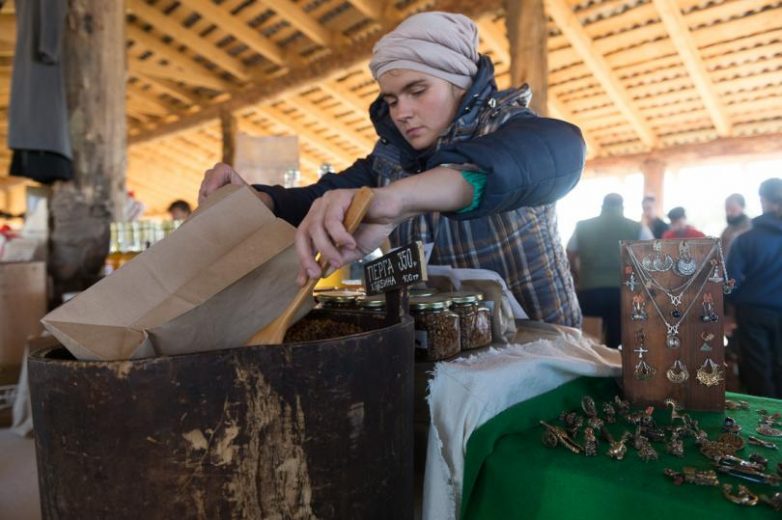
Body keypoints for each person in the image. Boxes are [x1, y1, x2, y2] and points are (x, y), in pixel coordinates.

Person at [199, 12, 586, 327]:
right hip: (447, 359)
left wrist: (396, 200)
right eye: (392, 99)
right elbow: (318, 197)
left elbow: (555, 154)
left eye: (417, 92)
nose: (402, 112)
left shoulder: (509, 130)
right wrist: (257, 198)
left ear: (461, 83)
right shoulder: (389, 160)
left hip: (542, 349)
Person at [566, 194, 653, 348]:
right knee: (616, 345)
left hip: (589, 290)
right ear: (622, 207)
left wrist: (578, 276)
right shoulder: (637, 227)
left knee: (588, 342)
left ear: (602, 206)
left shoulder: (583, 226)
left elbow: (569, 253)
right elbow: (651, 255)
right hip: (623, 292)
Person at [726, 178, 782, 398]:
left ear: (762, 201)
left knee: (758, 370)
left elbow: (731, 282)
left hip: (753, 314)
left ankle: (764, 424)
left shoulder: (745, 240)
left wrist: (732, 307)